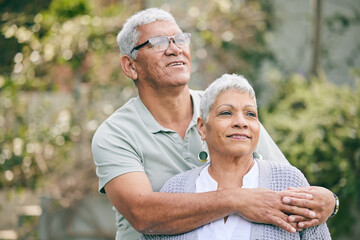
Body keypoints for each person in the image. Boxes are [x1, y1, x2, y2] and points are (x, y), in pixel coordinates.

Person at [91, 8, 337, 240]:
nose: (174, 49)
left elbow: (284, 183)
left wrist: (329, 200)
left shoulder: (227, 111)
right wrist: (237, 200)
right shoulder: (115, 135)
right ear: (131, 66)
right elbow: (142, 214)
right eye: (158, 43)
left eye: (179, 39)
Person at [141, 73, 331, 240]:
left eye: (250, 114)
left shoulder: (288, 182)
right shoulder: (175, 189)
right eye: (226, 113)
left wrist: (333, 202)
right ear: (202, 127)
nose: (241, 122)